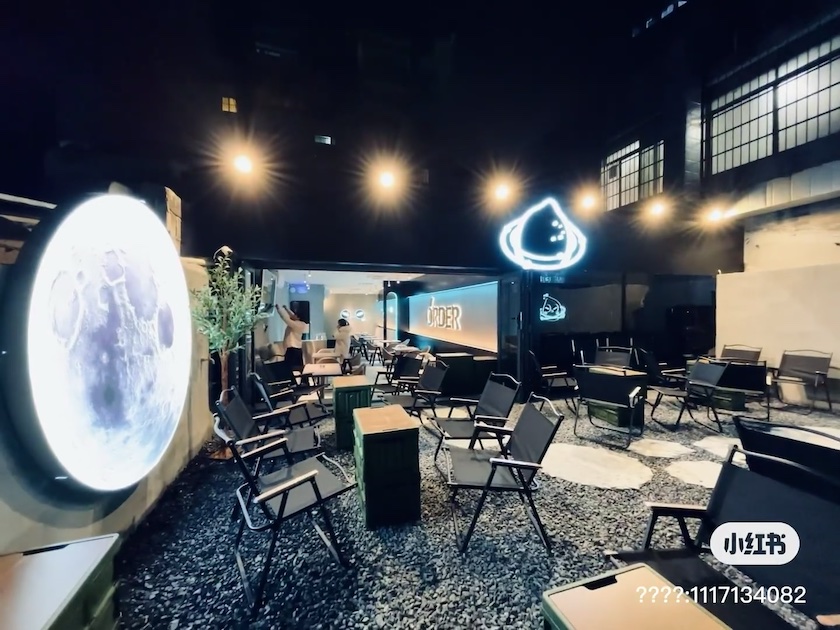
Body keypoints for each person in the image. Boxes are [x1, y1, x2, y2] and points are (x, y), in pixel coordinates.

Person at [275, 304, 307, 369]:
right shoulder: (301, 324)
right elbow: (292, 315)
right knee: (298, 368)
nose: (293, 315)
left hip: (292, 349)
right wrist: (286, 309)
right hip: (297, 349)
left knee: (289, 368)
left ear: (298, 318)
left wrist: (278, 309)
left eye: (295, 315)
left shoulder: (296, 324)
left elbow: (286, 319)